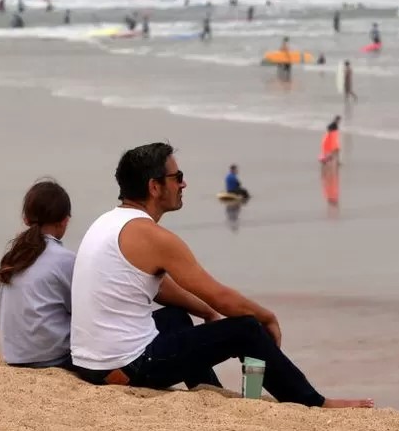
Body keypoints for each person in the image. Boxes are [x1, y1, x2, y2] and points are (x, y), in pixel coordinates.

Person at [70, 143, 372, 408]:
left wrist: (205, 312)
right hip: (125, 369)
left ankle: (209, 392)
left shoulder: (108, 222)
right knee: (245, 329)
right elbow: (221, 297)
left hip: (91, 365)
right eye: (177, 177)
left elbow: (157, 286)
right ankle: (314, 402)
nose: (184, 184)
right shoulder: (152, 236)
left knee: (177, 318)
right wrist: (266, 317)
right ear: (154, 187)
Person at [0, 181, 76, 368]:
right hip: (54, 358)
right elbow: (84, 310)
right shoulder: (64, 259)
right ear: (65, 220)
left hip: (14, 357)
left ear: (25, 218)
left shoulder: (13, 256)